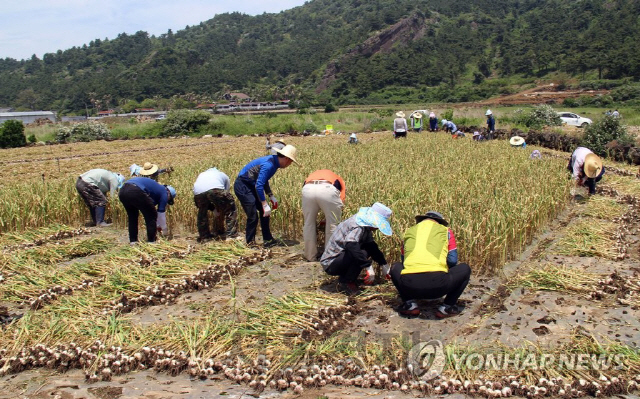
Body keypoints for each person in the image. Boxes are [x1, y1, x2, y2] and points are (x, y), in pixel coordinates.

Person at [390, 211, 471, 319]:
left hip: (409, 287)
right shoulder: (446, 231)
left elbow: (404, 261)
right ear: (439, 222)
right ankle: (447, 307)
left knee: (395, 267)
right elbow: (452, 260)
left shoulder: (409, 232)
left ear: (421, 221)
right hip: (439, 286)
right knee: (465, 268)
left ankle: (409, 305)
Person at [234, 144, 299, 246]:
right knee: (253, 216)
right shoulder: (269, 165)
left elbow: (263, 180)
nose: (289, 165)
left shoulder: (274, 162)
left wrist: (270, 195)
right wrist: (264, 203)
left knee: (265, 213)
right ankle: (250, 242)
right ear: (286, 159)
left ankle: (268, 240)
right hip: (243, 186)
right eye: (291, 162)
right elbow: (259, 185)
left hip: (251, 185)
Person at [320, 203, 392, 295]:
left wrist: (384, 264)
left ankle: (347, 278)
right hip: (331, 263)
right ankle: (347, 282)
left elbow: (371, 246)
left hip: (340, 259)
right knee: (361, 252)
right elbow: (351, 246)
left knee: (366, 249)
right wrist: (368, 266)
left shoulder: (365, 226)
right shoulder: (357, 225)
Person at [302, 170, 346, 261]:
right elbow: (341, 202)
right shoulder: (340, 180)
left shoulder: (314, 174)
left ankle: (310, 256)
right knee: (333, 224)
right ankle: (329, 257)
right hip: (327, 188)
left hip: (307, 188)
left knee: (308, 223)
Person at [118, 177, 176, 244]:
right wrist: (165, 231)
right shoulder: (164, 192)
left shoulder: (156, 189)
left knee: (132, 217)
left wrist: (157, 225)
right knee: (151, 215)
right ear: (169, 193)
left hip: (123, 191)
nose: (167, 200)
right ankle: (151, 241)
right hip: (135, 190)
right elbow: (160, 213)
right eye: (169, 199)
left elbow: (148, 205)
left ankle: (133, 242)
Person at [193, 167, 238, 242]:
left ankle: (204, 237)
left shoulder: (202, 174)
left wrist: (213, 209)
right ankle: (231, 235)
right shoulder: (222, 174)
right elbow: (226, 192)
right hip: (216, 189)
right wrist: (220, 208)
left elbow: (204, 193)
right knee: (231, 209)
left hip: (198, 193)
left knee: (202, 213)